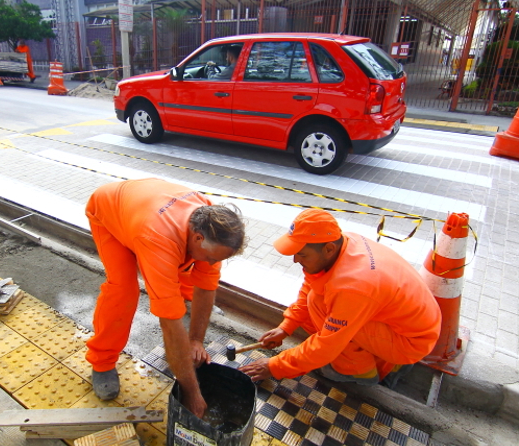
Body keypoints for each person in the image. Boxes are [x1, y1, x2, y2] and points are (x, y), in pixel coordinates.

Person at [85, 178, 246, 418]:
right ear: (198, 238)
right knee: (123, 290)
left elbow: (206, 285)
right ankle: (102, 361)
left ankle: (172, 292)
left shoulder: (213, 224)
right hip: (109, 211)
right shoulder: (157, 239)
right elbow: (170, 324)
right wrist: (191, 393)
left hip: (143, 212)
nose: (214, 263)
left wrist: (195, 342)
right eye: (214, 258)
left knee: (190, 274)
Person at [239, 209, 441, 387]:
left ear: (328, 249)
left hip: (411, 341)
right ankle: (387, 361)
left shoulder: (353, 286)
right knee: (316, 300)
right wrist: (286, 326)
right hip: (407, 324)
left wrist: (275, 366)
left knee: (319, 306)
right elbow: (312, 283)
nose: (294, 260)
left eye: (302, 254)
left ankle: (358, 371)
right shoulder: (343, 242)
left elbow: (327, 344)